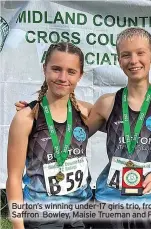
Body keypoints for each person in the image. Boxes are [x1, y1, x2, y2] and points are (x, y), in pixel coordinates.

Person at [85, 27, 151, 229]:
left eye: (140, 53)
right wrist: (38, 109)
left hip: (148, 204)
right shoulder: (107, 103)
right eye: (126, 55)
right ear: (119, 60)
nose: (133, 60)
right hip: (108, 202)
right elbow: (76, 134)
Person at [6, 42, 93, 229]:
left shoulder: (86, 112)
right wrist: (18, 226)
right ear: (44, 68)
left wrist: (149, 87)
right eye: (56, 69)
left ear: (80, 75)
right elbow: (13, 178)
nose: (62, 77)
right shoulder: (26, 118)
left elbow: (126, 109)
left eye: (71, 71)